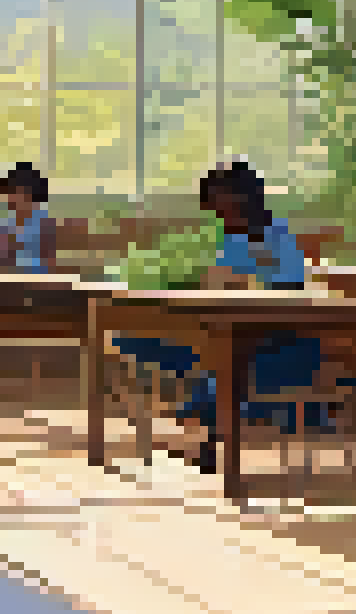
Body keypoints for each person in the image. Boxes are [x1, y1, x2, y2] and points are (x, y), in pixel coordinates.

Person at [117, 160, 329, 475]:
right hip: (217, 324)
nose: (218, 214)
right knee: (137, 338)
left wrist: (245, 282)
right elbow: (212, 279)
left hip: (268, 330)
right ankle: (203, 418)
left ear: (243, 200)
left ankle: (208, 428)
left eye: (223, 205)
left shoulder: (277, 235)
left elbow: (291, 286)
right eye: (214, 207)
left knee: (223, 363)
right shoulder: (224, 237)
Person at [0, 162, 57, 273]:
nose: (7, 198)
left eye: (12, 192)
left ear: (30, 194)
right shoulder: (8, 222)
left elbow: (40, 264)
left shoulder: (43, 224)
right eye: (6, 193)